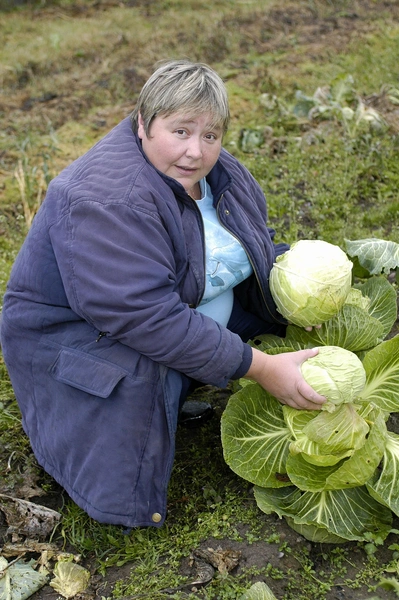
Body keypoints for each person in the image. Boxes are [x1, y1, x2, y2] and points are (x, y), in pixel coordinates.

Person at [0, 60, 325, 529]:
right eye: (180, 131)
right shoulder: (106, 199)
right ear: (142, 122)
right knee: (139, 387)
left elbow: (251, 243)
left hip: (170, 313)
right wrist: (263, 367)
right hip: (77, 342)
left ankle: (176, 390)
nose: (195, 151)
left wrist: (303, 284)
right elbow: (144, 316)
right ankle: (118, 456)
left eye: (210, 135)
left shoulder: (218, 173)